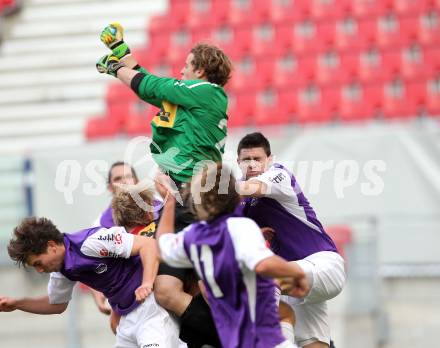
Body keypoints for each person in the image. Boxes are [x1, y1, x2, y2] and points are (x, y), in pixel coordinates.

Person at [96, 23, 233, 346]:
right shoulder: (189, 100)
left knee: (204, 288)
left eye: (186, 66)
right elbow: (153, 85)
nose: (181, 70)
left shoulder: (208, 92)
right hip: (180, 198)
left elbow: (151, 87)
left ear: (200, 70)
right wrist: (121, 53)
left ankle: (234, 338)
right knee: (168, 292)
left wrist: (116, 69)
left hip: (199, 200)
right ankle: (219, 336)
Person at [155, 162, 310, 348]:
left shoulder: (193, 237)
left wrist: (170, 201)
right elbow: (263, 265)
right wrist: (297, 272)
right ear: (235, 196)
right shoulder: (240, 227)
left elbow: (162, 248)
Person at [0, 189, 180, 348]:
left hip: (150, 309)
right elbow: (57, 305)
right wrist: (17, 304)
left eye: (38, 263)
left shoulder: (91, 242)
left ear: (51, 245)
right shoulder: (61, 270)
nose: (39, 270)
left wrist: (147, 283)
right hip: (127, 319)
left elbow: (148, 245)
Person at [236, 132, 346, 348]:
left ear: (270, 160)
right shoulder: (240, 205)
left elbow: (251, 188)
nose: (252, 165)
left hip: (322, 264)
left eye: (257, 159)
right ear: (238, 162)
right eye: (246, 160)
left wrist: (209, 190)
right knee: (314, 343)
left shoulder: (278, 175)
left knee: (266, 280)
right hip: (292, 276)